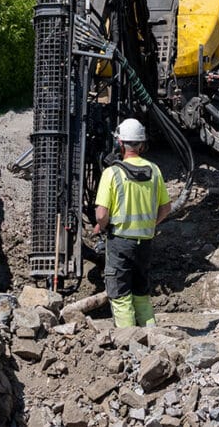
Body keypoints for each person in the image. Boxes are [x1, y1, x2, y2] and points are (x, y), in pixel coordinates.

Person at [93, 117, 171, 328]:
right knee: (141, 293)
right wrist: (150, 225)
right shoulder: (154, 170)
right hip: (144, 243)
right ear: (141, 144)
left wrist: (102, 225)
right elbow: (166, 208)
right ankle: (151, 335)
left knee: (120, 296)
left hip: (120, 242)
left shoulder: (112, 173)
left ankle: (128, 341)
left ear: (120, 143)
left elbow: (101, 214)